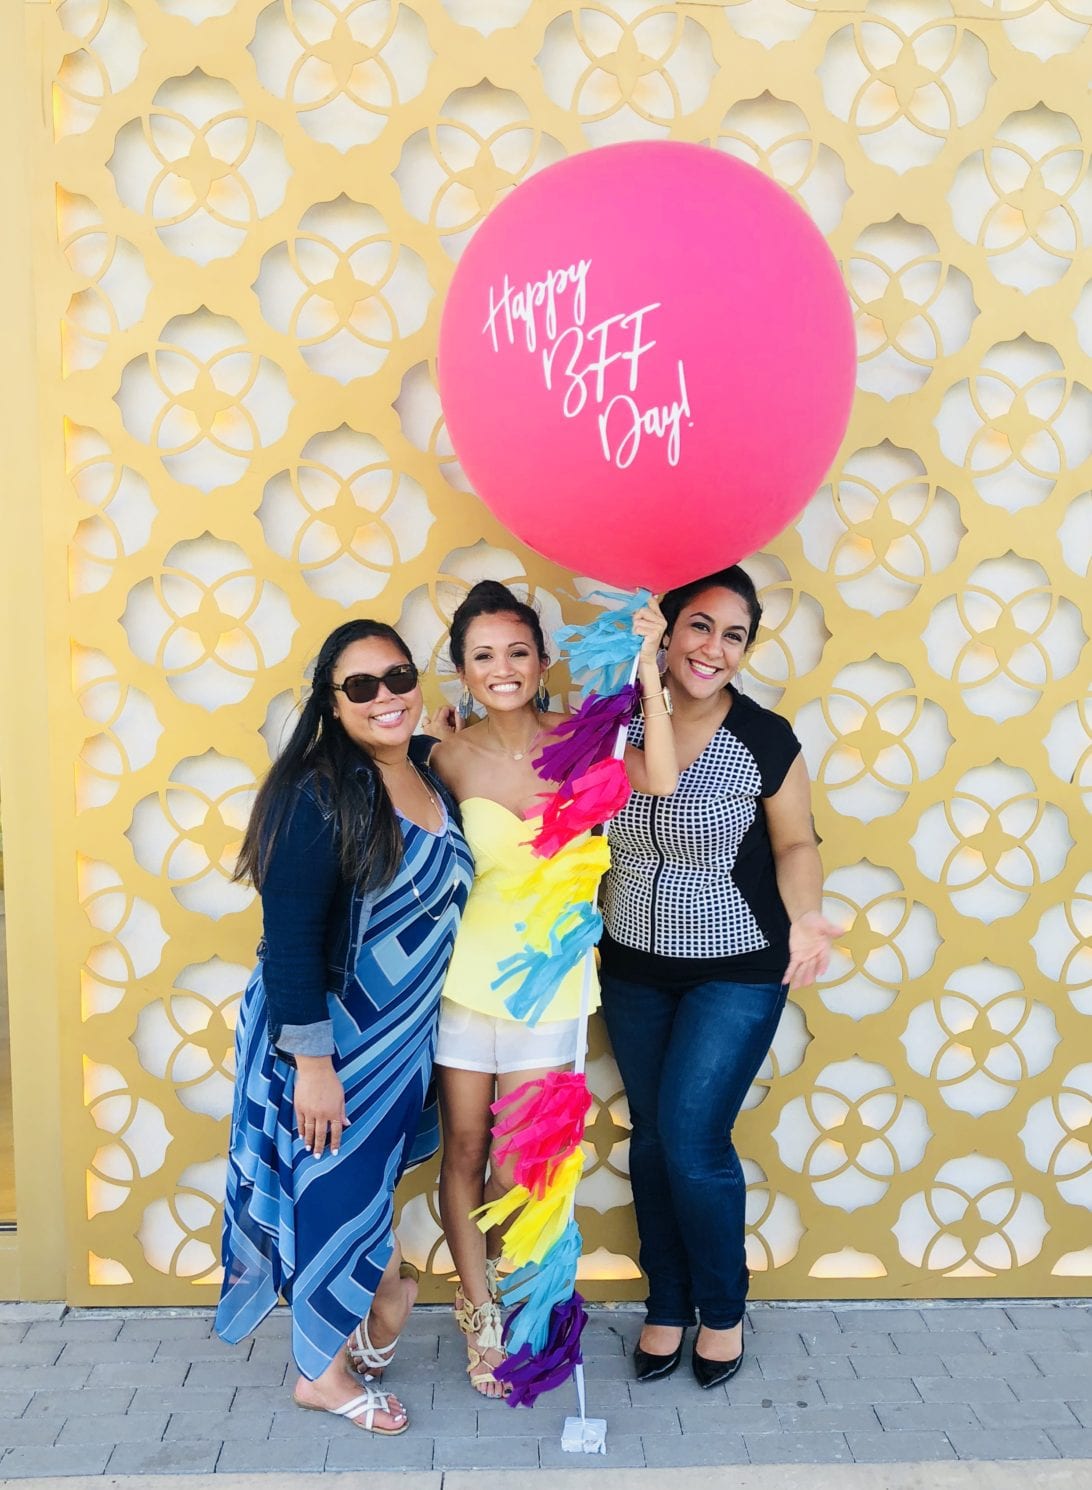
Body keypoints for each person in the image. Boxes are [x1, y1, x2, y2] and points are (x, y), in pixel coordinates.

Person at [216, 619, 473, 1435]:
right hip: (328, 1035)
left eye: (397, 676)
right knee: (336, 1194)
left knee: (363, 1193)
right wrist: (314, 1067)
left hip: (398, 1040)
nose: (386, 697)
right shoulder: (321, 790)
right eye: (360, 687)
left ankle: (359, 1324)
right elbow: (290, 938)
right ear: (331, 703)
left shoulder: (432, 771)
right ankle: (321, 1375)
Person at [426, 580, 676, 1396]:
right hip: (461, 985)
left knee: (524, 1167)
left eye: (519, 651)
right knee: (463, 1151)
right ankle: (479, 1315)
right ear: (461, 669)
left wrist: (648, 671)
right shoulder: (444, 755)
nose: (504, 668)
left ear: (541, 660)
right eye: (484, 655)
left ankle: (526, 1303)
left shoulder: (582, 741)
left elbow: (664, 780)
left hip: (552, 987)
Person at [598, 566, 840, 1389]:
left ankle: (724, 1307)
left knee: (695, 1140)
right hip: (630, 963)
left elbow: (797, 845)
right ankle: (667, 1301)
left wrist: (807, 916)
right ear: (664, 632)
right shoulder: (615, 722)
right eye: (699, 626)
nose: (714, 648)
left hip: (737, 966)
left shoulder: (766, 739)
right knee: (655, 1137)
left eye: (733, 635)